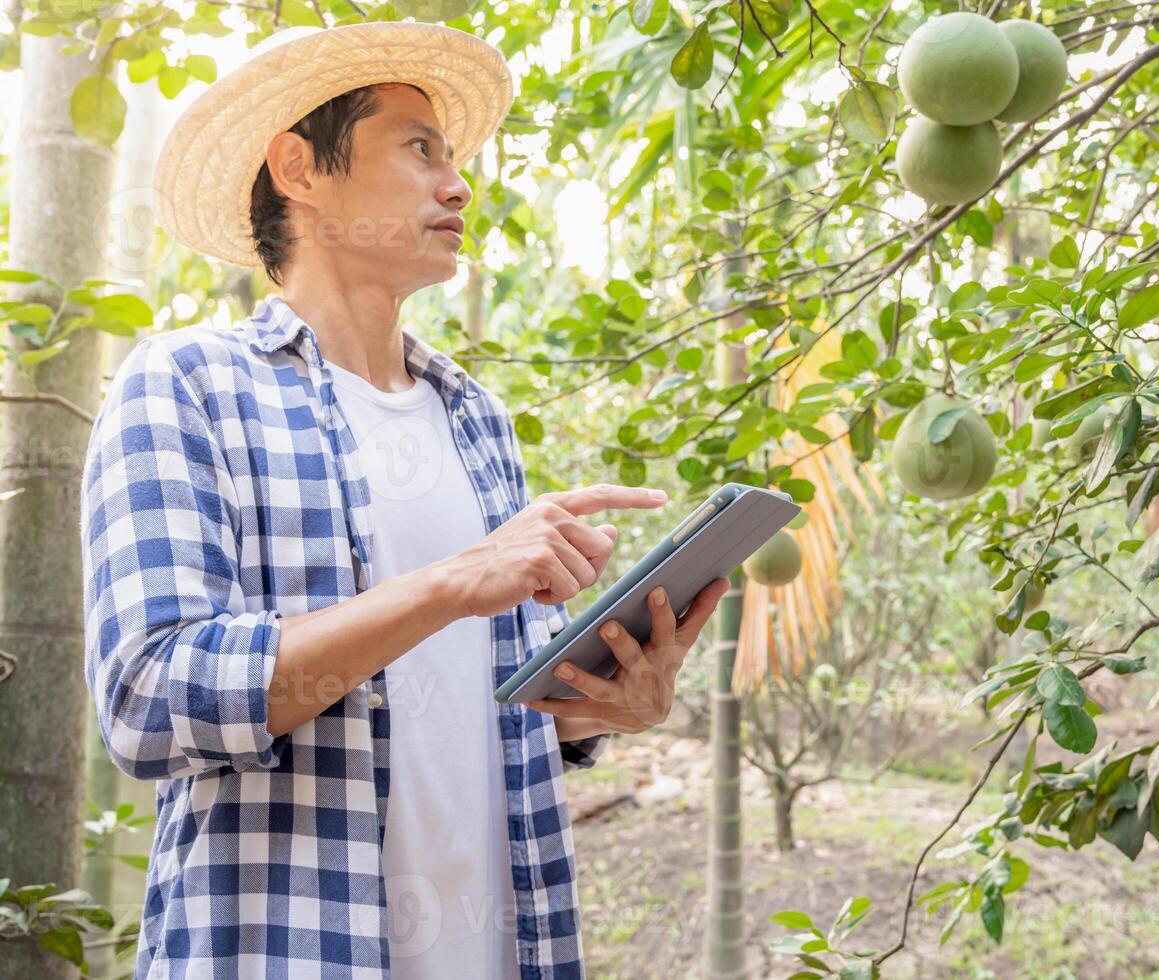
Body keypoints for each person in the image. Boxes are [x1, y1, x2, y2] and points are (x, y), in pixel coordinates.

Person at [80, 22, 728, 979]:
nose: (458, 185)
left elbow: (466, 718)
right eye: (420, 148)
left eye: (455, 158)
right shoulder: (184, 385)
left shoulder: (476, 420)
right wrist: (449, 583)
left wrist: (599, 709)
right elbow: (152, 700)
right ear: (298, 166)